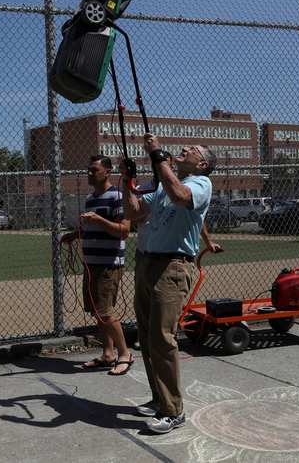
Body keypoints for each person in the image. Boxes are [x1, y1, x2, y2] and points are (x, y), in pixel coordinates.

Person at [121, 135, 216, 434]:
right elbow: (134, 212)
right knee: (148, 337)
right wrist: (128, 181)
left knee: (162, 337)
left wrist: (158, 154)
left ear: (201, 163)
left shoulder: (201, 184)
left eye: (193, 150)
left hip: (173, 267)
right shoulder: (164, 185)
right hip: (147, 262)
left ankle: (173, 411)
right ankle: (159, 398)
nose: (186, 148)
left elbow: (180, 196)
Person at [78, 155, 133, 376]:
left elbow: (124, 231)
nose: (90, 174)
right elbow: (93, 228)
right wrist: (76, 234)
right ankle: (108, 354)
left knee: (106, 312)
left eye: (94, 170)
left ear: (108, 172)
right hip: (92, 264)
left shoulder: (117, 197)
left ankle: (125, 354)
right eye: (89, 170)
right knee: (97, 313)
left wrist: (98, 220)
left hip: (109, 265)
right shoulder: (91, 198)